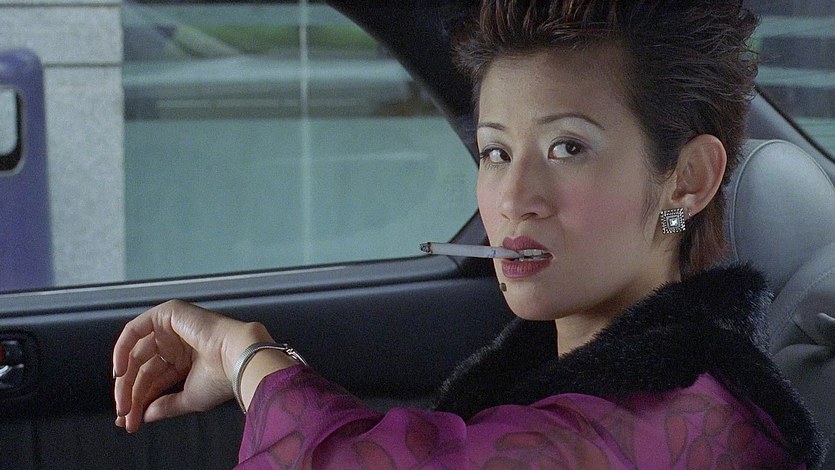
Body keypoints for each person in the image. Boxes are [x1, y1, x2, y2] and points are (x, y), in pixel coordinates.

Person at [113, 0, 822, 468]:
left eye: (567, 147)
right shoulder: (576, 388)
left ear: (687, 179)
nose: (513, 199)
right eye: (495, 151)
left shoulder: (682, 419)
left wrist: (245, 354)